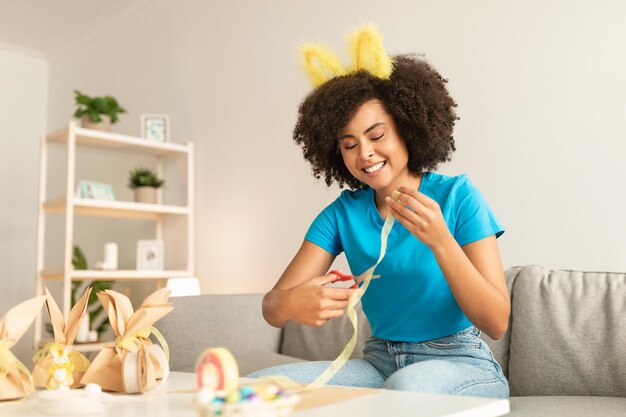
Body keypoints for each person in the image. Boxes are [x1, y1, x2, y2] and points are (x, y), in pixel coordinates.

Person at [249, 25, 510, 398]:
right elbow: (272, 308)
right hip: (379, 362)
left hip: (461, 362)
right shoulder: (342, 215)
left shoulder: (458, 197)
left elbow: (497, 321)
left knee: (407, 388)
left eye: (376, 136)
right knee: (262, 386)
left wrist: (441, 241)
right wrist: (290, 302)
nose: (365, 154)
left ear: (407, 129)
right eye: (350, 144)